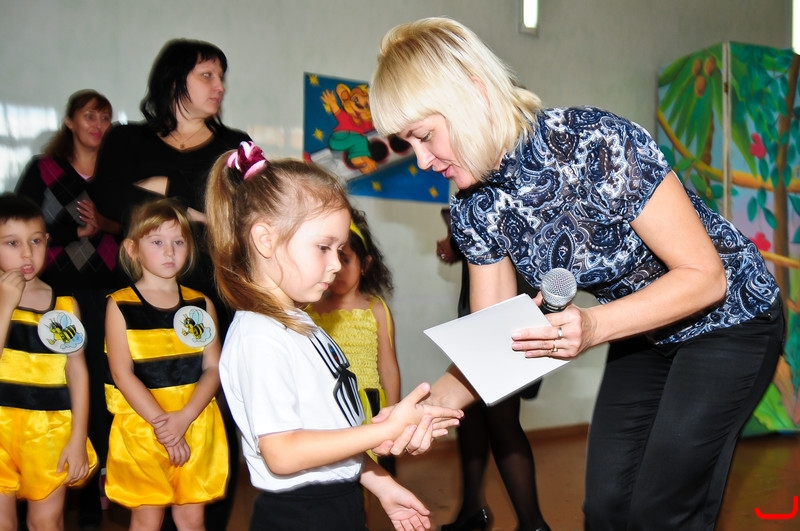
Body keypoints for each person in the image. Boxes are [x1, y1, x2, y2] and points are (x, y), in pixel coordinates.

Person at [369, 17, 785, 530]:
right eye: (409, 144)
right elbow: (495, 346)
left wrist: (593, 326)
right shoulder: (473, 208)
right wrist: (425, 409)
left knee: (662, 512)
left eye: (425, 136)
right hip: (647, 331)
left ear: (474, 93)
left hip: (732, 318)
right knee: (606, 508)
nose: (422, 160)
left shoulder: (595, 142)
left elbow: (706, 276)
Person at [205, 141, 462, 531]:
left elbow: (326, 431)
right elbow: (283, 453)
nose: (336, 265)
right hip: (299, 516)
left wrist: (380, 482)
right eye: (323, 248)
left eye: (340, 250)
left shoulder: (300, 321)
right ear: (265, 239)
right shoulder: (260, 336)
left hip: (337, 501)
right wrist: (383, 430)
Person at [89, 38, 250, 530]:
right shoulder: (126, 140)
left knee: (212, 419)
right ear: (175, 80)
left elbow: (241, 212)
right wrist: (190, 199)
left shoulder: (236, 146)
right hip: (138, 303)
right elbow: (107, 198)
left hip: (213, 296)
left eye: (221, 76)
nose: (219, 86)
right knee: (133, 419)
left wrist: (157, 189)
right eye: (207, 75)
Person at [15, 88, 119, 530]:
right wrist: (75, 232)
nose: (98, 125)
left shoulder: (115, 173)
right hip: (53, 296)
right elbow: (20, 226)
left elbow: (134, 226)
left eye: (105, 117)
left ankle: (93, 496)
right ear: (70, 122)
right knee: (52, 387)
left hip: (105, 295)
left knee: (98, 388)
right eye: (89, 116)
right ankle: (30, 488)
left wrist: (104, 224)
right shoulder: (45, 168)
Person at [104, 198, 228, 531]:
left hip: (195, 422)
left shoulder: (201, 304)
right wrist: (166, 430)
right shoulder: (120, 305)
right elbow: (121, 373)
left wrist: (184, 419)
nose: (170, 251)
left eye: (178, 242)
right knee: (147, 517)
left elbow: (213, 368)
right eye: (157, 242)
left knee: (192, 518)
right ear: (132, 248)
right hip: (144, 428)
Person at [435, 211, 550, 531]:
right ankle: (472, 508)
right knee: (471, 411)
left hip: (509, 304)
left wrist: (453, 243)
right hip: (487, 302)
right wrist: (456, 244)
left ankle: (533, 524)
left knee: (501, 417)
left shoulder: (503, 190)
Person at [0, 193, 97, 531]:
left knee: (47, 521)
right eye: (12, 243)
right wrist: (5, 304)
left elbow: (78, 372)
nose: (27, 254)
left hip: (49, 432)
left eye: (35, 241)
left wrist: (78, 438)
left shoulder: (64, 306)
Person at [308, 208, 401, 476]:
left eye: (345, 259)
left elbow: (388, 368)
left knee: (369, 475)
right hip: (326, 407)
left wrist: (393, 414)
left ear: (365, 264)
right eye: (330, 257)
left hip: (368, 407)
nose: (336, 268)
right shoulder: (310, 310)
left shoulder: (375, 309)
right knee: (335, 473)